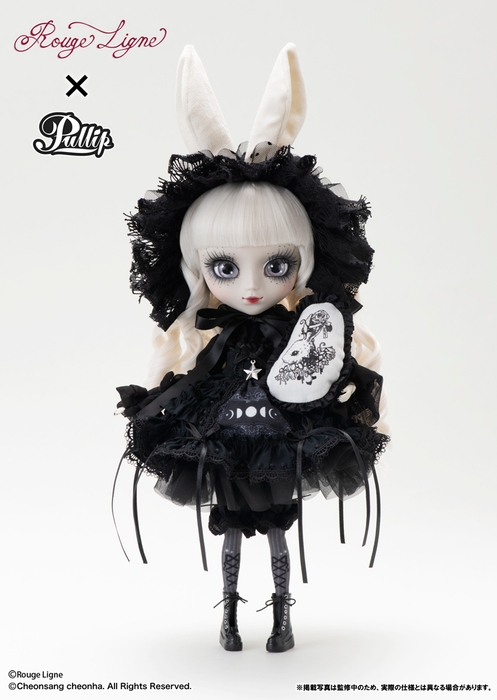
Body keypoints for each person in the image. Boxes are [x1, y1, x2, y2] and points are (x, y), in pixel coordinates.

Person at [115, 45, 389, 653]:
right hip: (224, 437)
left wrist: (344, 387)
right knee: (234, 533)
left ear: (304, 261)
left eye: (276, 265)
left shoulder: (303, 328)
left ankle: (283, 617)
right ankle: (231, 616)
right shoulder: (206, 334)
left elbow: (325, 363)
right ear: (197, 268)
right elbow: (186, 374)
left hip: (282, 437)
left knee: (279, 533)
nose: (252, 287)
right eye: (225, 268)